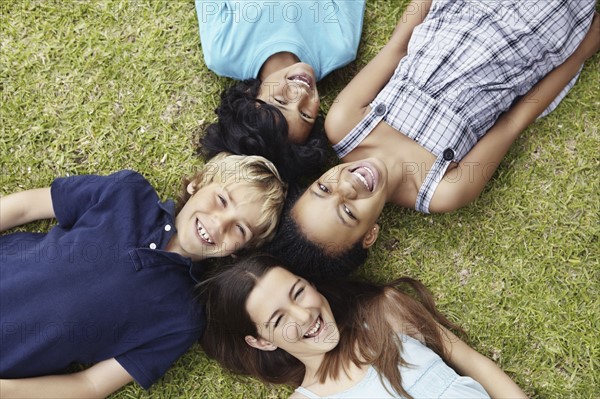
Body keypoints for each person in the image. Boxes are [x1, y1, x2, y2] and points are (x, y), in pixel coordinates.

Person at [265, 0, 600, 280]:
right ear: (370, 235)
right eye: (349, 212)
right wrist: (581, 51)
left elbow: (399, 44)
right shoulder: (442, 190)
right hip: (540, 32)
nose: (346, 188)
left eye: (323, 190)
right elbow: (515, 121)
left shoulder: (346, 124)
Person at [0, 153, 286, 398]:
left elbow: (90, 385)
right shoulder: (126, 193)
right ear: (197, 184)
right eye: (222, 199)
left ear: (239, 252)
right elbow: (26, 206)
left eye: (240, 229)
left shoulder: (183, 317)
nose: (219, 223)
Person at [199, 254, 528, 398]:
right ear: (262, 341)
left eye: (299, 292)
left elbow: (469, 361)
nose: (304, 316)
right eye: (279, 319)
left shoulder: (385, 310)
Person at [195, 0, 366, 183]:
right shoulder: (339, 46)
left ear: (248, 96)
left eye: (281, 101)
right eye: (305, 114)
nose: (300, 95)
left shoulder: (224, 53)